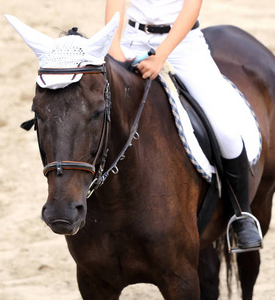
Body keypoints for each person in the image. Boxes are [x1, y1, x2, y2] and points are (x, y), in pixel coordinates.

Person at [105, 0, 262, 250]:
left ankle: (241, 214)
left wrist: (160, 57)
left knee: (226, 132)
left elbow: (191, 8)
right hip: (132, 41)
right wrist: (114, 51)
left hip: (183, 49)